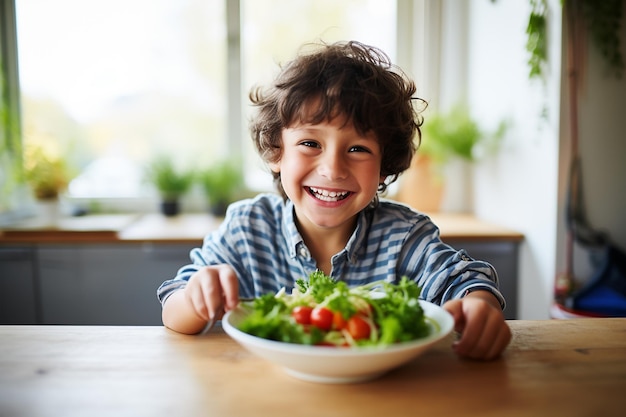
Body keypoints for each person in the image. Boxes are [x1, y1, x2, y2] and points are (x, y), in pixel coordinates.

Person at [158, 40, 511, 360]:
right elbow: (175, 306)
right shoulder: (247, 228)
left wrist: (479, 306)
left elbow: (465, 280)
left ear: (384, 168)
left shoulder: (404, 236)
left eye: (358, 149)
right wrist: (194, 298)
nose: (332, 168)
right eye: (310, 144)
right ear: (276, 153)